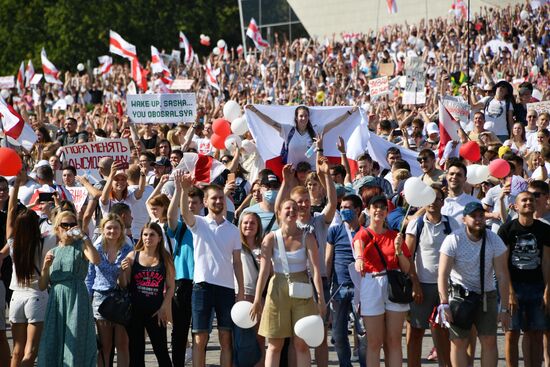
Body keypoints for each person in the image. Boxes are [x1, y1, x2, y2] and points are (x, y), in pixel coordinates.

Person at [177, 174, 244, 367]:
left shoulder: (233, 230)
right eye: (213, 198)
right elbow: (184, 214)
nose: (218, 201)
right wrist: (182, 190)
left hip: (226, 289)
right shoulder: (199, 223)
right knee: (200, 338)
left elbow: (237, 262)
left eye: (221, 197)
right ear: (205, 201)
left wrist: (239, 290)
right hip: (202, 287)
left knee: (226, 338)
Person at [250, 198, 325, 367]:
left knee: (301, 343)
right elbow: (263, 272)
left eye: (294, 208)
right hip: (277, 288)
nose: (291, 211)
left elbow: (315, 270)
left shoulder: (308, 237)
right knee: (275, 344)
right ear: (279, 213)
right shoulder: (270, 238)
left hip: (302, 288)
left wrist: (320, 299)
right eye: (287, 208)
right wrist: (256, 299)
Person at [437, 202, 511, 367]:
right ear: (464, 219)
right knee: (459, 342)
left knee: (489, 340)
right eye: (473, 216)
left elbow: (502, 275)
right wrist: (444, 303)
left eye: (481, 216)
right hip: (459, 295)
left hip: (487, 295)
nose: (478, 219)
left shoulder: (494, 239)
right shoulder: (453, 239)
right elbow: (442, 274)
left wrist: (504, 308)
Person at [0, 173, 55, 367]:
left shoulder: (14, 244)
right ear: (36, 226)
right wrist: (51, 209)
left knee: (17, 351)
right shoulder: (45, 242)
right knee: (30, 352)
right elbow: (59, 225)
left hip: (16, 297)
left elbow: (12, 211)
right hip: (36, 296)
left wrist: (15, 187)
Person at [353, 194, 411, 367]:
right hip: (372, 283)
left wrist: (399, 250)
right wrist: (359, 259)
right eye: (375, 207)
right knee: (374, 341)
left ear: (387, 212)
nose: (379, 210)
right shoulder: (363, 233)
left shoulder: (395, 235)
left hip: (394, 284)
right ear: (368, 210)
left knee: (393, 340)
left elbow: (407, 268)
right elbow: (358, 248)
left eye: (383, 207)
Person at [37, 210, 100, 366]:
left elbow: (95, 260)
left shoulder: (81, 245)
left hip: (76, 297)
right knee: (54, 338)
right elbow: (42, 285)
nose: (69, 228)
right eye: (65, 225)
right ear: (58, 227)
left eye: (73, 224)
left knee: (76, 341)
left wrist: (84, 236)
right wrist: (45, 268)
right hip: (56, 300)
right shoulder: (52, 251)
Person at [405, 185, 459, 367]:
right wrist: (415, 284)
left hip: (447, 286)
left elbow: (458, 254)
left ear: (443, 202)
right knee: (416, 332)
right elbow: (407, 256)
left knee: (443, 332)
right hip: (422, 285)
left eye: (438, 199)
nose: (434, 202)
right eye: (430, 198)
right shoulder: (416, 224)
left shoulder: (452, 223)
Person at [498, 191, 550, 367]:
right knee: (511, 334)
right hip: (514, 287)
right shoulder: (506, 230)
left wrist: (547, 289)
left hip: (537, 286)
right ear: (516, 205)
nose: (529, 202)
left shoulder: (544, 229)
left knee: (536, 333)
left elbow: (546, 261)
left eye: (532, 199)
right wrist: (510, 292)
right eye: (524, 200)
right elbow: (502, 265)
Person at [119, 222, 175, 367]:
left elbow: (170, 287)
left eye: (152, 235)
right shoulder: (133, 255)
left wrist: (164, 307)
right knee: (136, 353)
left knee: (161, 351)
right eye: (145, 234)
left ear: (159, 238)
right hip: (135, 311)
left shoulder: (166, 258)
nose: (148, 238)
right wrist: (122, 271)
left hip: (156, 312)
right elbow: (124, 284)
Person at [85, 213, 132, 367]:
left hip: (121, 299)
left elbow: (129, 280)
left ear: (121, 229)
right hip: (100, 299)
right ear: (103, 230)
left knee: (123, 345)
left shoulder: (127, 248)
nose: (112, 231)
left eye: (116, 228)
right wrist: (87, 299)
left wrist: (124, 272)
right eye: (109, 228)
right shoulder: (96, 248)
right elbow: (89, 276)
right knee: (105, 346)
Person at [246, 105, 358, 168]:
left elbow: (335, 123)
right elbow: (270, 122)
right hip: (292, 172)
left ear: (309, 117)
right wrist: (255, 111)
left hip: (312, 172)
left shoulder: (316, 130)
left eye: (305, 116)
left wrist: (349, 113)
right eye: (301, 116)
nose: (303, 118)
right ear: (296, 117)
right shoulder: (288, 130)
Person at [166, 173, 202, 366]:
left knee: (200, 331)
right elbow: (171, 217)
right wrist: (180, 190)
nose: (190, 206)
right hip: (183, 281)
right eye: (187, 203)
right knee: (179, 330)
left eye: (194, 202)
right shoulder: (180, 227)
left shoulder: (206, 225)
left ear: (202, 205)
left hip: (203, 282)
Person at [325, 194, 365, 367]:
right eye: (341, 208)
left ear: (357, 209)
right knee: (339, 334)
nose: (343, 211)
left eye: (347, 208)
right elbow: (328, 258)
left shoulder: (366, 231)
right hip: (339, 287)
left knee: (363, 333)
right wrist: (328, 285)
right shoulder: (334, 230)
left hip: (361, 289)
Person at [238, 211, 266, 364]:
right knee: (238, 340)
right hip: (239, 296)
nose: (249, 226)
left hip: (258, 297)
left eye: (253, 223)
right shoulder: (235, 244)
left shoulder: (264, 246)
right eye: (245, 223)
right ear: (240, 225)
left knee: (259, 338)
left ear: (258, 226)